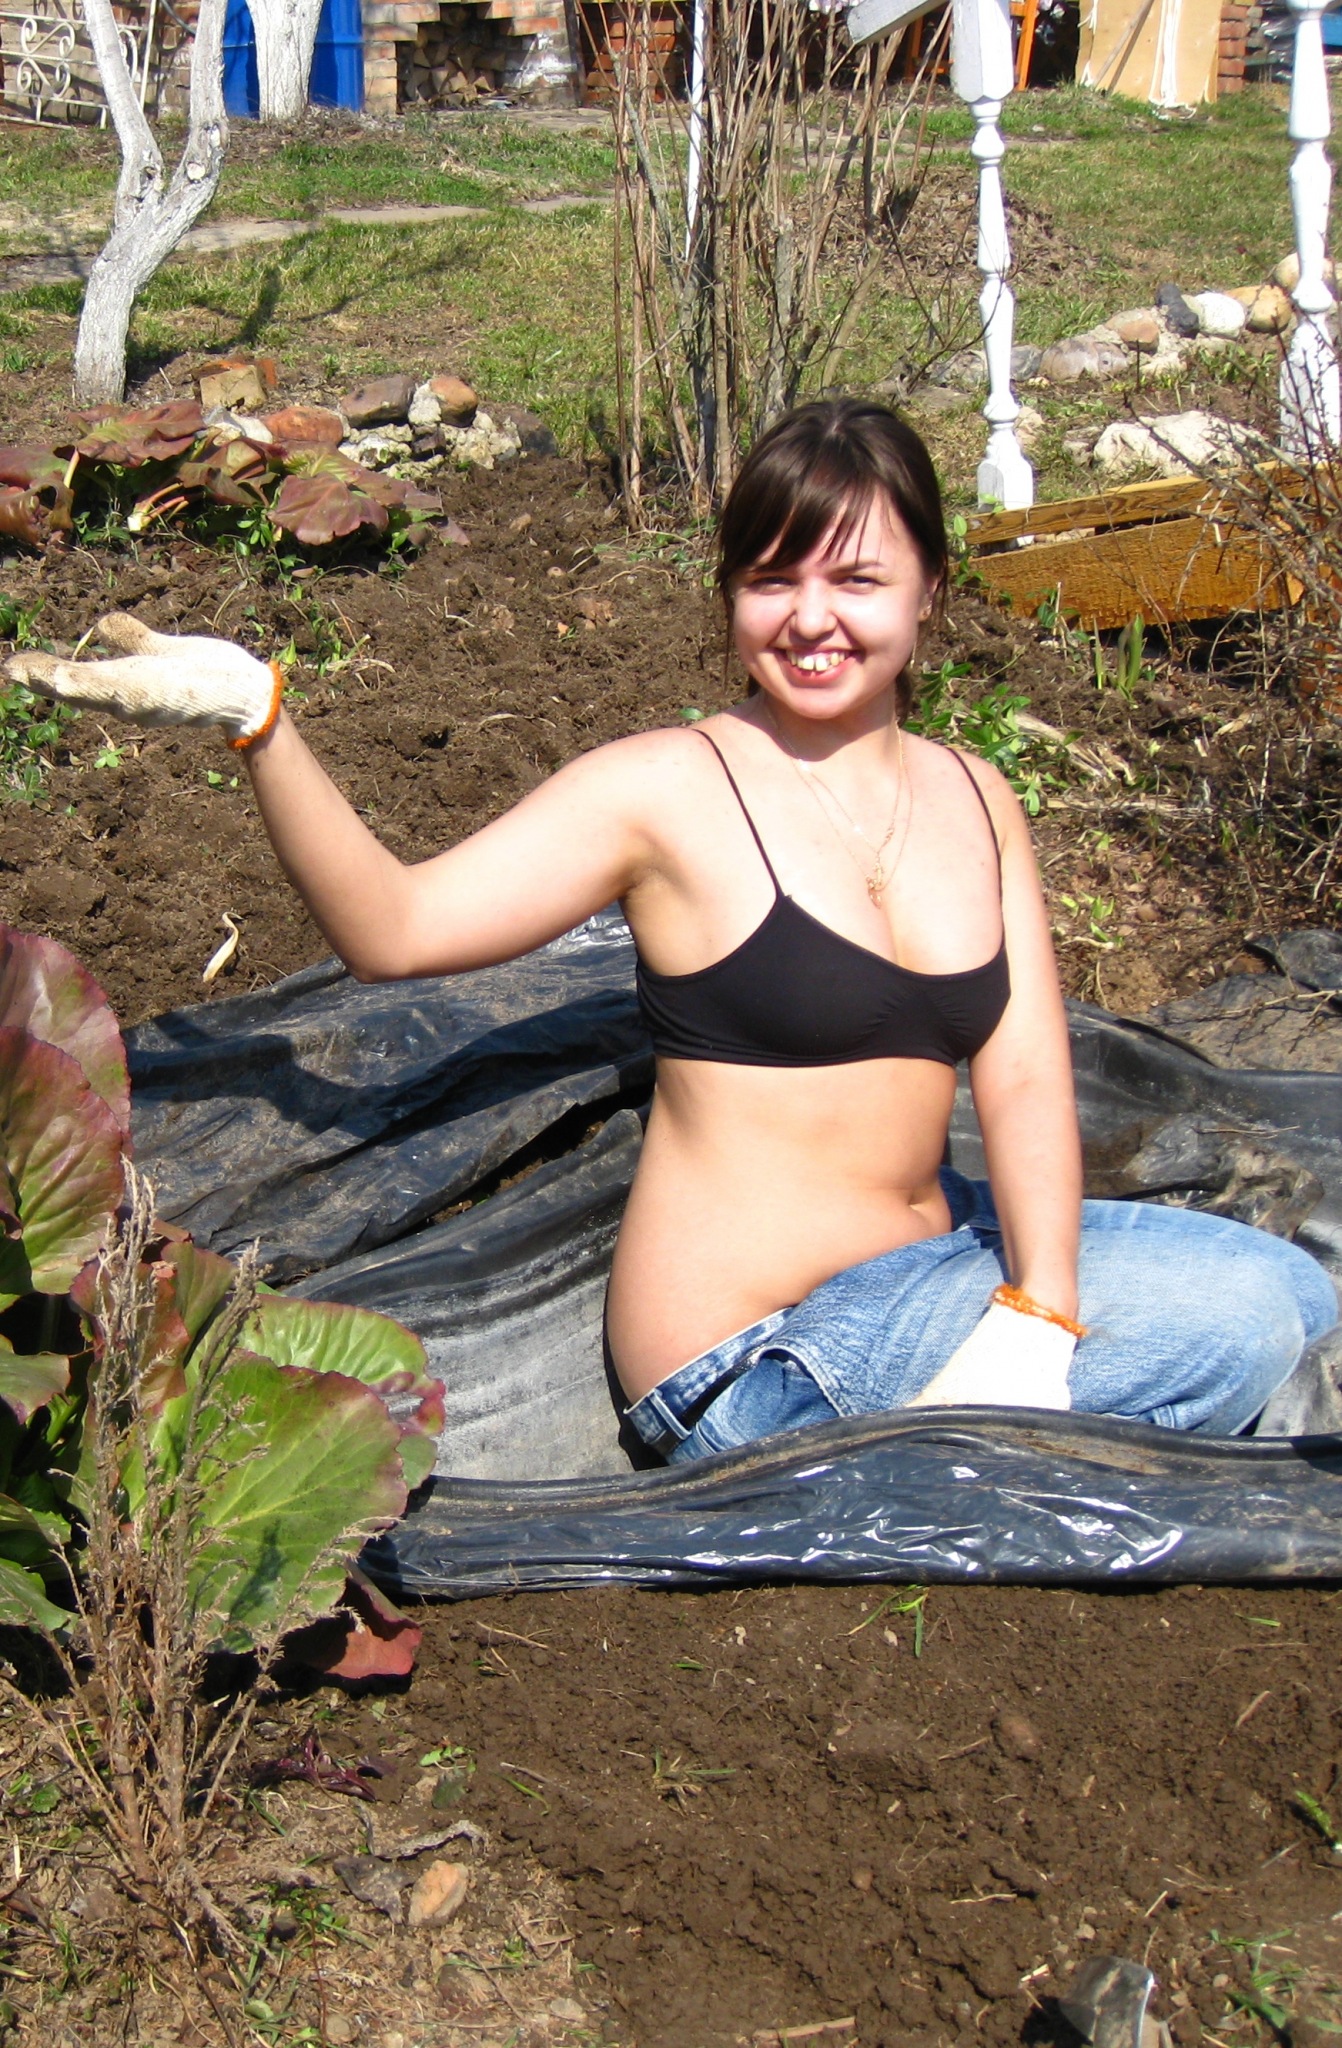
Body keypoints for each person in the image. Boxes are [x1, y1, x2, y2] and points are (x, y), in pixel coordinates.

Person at [10, 397, 1336, 1463]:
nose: (810, 619)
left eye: (857, 578)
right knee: (1236, 1323)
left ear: (930, 589)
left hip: (930, 1279)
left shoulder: (976, 797)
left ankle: (974, 1437)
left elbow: (1029, 1072)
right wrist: (259, 719)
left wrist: (1038, 1310)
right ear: (729, 595)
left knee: (1296, 1288)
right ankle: (956, 1459)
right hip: (754, 1358)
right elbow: (396, 932)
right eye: (771, 580)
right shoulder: (665, 790)